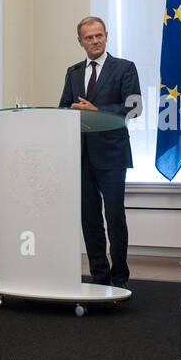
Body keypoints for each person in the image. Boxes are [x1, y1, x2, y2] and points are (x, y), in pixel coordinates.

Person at [58, 17, 141, 288]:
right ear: (80, 42)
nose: (95, 41)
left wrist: (98, 112)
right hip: (81, 155)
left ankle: (119, 277)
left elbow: (134, 107)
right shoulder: (73, 72)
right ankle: (99, 275)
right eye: (89, 38)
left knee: (114, 216)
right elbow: (63, 109)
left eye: (99, 36)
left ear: (107, 36)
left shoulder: (124, 68)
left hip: (112, 153)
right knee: (89, 217)